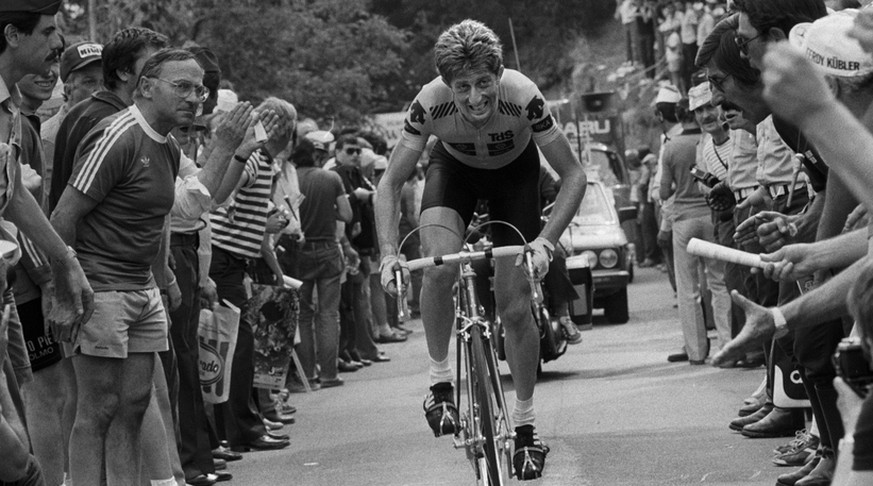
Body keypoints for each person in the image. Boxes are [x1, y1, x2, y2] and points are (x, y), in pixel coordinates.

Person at [375, 19, 586, 480]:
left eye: (484, 83)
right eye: (463, 87)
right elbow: (390, 183)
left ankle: (526, 429)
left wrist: (546, 241)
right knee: (438, 267)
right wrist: (389, 252)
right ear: (447, 85)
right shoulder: (428, 102)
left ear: (499, 75)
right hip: (455, 173)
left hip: (516, 178)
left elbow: (573, 175)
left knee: (513, 308)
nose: (475, 98)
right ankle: (440, 384)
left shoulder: (524, 94)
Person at [49, 47, 208, 486]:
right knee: (97, 407)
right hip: (101, 288)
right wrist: (64, 291)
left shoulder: (168, 145)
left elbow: (168, 219)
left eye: (199, 89)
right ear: (145, 87)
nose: (195, 97)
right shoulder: (118, 134)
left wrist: (162, 281)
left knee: (135, 404)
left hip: (141, 288)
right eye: (182, 86)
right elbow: (63, 218)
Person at [0, 2, 94, 483]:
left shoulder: (11, 110)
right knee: (17, 453)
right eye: (49, 31)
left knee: (23, 408)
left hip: (9, 290)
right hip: (22, 286)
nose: (58, 42)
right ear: (13, 35)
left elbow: (11, 190)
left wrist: (65, 262)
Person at [208, 96, 296, 453]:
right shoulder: (255, 158)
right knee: (240, 349)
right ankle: (243, 429)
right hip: (224, 259)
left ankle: (243, 426)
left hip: (234, 260)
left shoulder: (266, 161)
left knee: (242, 348)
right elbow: (225, 189)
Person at [659, 95, 730, 365]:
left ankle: (697, 351)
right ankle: (726, 344)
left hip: (684, 221)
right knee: (719, 282)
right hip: (711, 215)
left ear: (678, 117)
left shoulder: (671, 147)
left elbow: (665, 191)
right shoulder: (706, 143)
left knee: (688, 288)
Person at [280, 137, 352, 389]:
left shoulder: (288, 180)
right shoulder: (330, 178)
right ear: (315, 156)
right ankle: (330, 374)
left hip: (299, 251)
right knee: (329, 313)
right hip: (328, 248)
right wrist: (327, 211)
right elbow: (346, 214)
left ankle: (308, 375)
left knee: (304, 315)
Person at [41, 40, 103, 196]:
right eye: (90, 82)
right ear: (68, 89)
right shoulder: (49, 139)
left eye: (107, 82)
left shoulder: (117, 129)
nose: (100, 90)